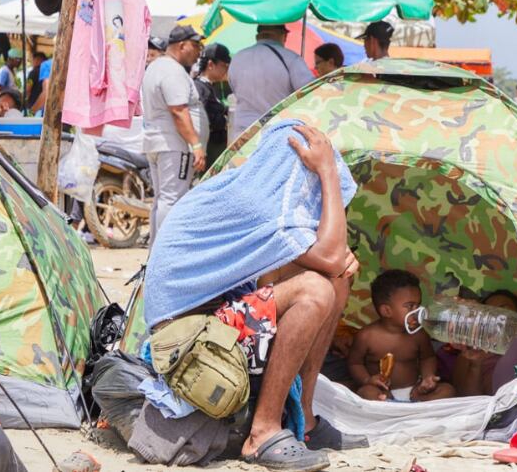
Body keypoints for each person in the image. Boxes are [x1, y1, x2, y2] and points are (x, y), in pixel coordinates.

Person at [143, 123, 368, 470]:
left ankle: (304, 421)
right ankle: (261, 433)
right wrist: (327, 173)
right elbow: (331, 255)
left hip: (216, 319)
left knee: (334, 283)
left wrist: (335, 260)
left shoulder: (256, 197)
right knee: (316, 289)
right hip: (185, 336)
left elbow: (330, 259)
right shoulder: (255, 204)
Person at [142, 25, 208, 241]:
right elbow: (178, 110)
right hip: (174, 145)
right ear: (182, 45)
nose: (199, 51)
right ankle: (165, 253)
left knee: (162, 200)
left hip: (159, 143)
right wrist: (196, 145)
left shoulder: (156, 67)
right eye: (196, 45)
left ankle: (155, 255)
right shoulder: (172, 71)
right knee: (172, 200)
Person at [348, 270, 455, 402]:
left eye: (418, 305)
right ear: (386, 311)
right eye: (410, 306)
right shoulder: (366, 336)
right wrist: (367, 380)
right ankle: (393, 407)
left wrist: (427, 378)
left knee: (448, 390)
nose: (416, 311)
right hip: (382, 392)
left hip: (415, 392)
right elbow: (354, 363)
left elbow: (428, 357)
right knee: (366, 393)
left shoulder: (419, 334)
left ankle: (407, 410)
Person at [228, 24, 315, 143]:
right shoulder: (291, 58)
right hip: (278, 134)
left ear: (258, 35)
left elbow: (234, 90)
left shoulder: (237, 58)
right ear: (282, 35)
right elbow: (311, 94)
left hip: (243, 134)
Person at [448, 291, 517, 397]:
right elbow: (469, 401)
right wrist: (475, 365)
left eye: (504, 310)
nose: (496, 317)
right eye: (490, 312)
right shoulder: (469, 356)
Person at [194, 43, 231, 168]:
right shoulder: (200, 88)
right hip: (208, 149)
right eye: (224, 66)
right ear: (210, 65)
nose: (226, 70)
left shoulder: (209, 87)